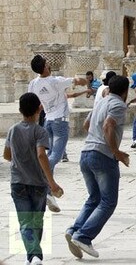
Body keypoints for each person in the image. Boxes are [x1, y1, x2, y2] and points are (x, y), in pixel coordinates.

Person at [66, 75, 130, 259]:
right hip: (102, 156)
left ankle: (74, 230)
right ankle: (84, 237)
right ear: (126, 91)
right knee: (108, 201)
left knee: (94, 198)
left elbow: (87, 125)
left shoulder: (100, 101)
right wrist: (116, 151)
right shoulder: (118, 105)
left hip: (86, 153)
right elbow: (108, 125)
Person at [4, 92, 63, 265]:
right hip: (37, 183)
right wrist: (52, 182)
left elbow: (7, 155)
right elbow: (41, 154)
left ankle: (32, 256)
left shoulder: (13, 130)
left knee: (25, 221)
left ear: (20, 110)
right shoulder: (40, 131)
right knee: (37, 220)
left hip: (18, 182)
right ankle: (35, 256)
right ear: (39, 108)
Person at [28, 54, 87, 213]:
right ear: (45, 67)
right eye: (47, 63)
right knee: (56, 155)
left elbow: (35, 103)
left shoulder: (33, 84)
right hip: (60, 121)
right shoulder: (56, 81)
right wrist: (80, 79)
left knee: (50, 155)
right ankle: (42, 176)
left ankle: (47, 192)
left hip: (47, 120)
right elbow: (79, 82)